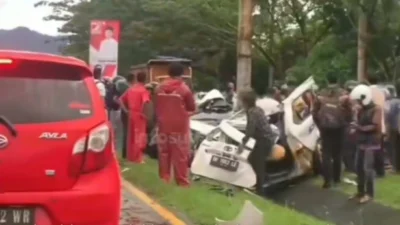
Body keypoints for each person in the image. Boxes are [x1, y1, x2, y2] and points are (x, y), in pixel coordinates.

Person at [155, 62, 196, 186]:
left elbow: (156, 104)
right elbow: (191, 107)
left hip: (163, 125)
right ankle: (182, 181)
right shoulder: (184, 89)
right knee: (180, 155)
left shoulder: (159, 88)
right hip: (179, 127)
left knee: (164, 152)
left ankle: (164, 178)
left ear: (169, 73)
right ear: (182, 74)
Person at [312, 76, 351, 188]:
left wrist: (320, 125)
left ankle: (327, 181)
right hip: (340, 127)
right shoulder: (344, 94)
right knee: (338, 153)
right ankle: (337, 178)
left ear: (327, 81)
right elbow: (350, 112)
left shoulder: (320, 94)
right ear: (338, 81)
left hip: (325, 127)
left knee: (326, 154)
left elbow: (314, 112)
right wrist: (345, 123)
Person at [237, 88, 275, 195]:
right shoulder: (257, 109)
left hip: (264, 140)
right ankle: (261, 182)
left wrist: (242, 144)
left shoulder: (252, 112)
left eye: (239, 99)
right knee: (254, 160)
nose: (238, 102)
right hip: (266, 139)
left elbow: (250, 130)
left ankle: (259, 189)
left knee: (257, 163)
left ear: (245, 101)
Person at [349, 84, 381, 203]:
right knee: (358, 168)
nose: (358, 102)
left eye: (359, 100)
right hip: (361, 142)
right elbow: (357, 122)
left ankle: (370, 194)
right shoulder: (361, 109)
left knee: (368, 169)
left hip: (371, 143)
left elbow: (375, 126)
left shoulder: (376, 109)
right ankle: (360, 192)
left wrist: (359, 128)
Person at [120, 72, 150, 163]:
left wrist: (126, 110)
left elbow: (120, 99)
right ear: (145, 79)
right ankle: (138, 158)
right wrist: (145, 114)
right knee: (139, 136)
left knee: (131, 136)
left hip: (130, 113)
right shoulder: (143, 90)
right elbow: (145, 102)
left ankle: (130, 156)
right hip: (139, 114)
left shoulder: (131, 89)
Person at [115, 73, 134, 159]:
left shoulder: (120, 85)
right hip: (127, 111)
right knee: (128, 132)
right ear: (133, 80)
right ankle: (127, 153)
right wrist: (126, 110)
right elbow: (121, 99)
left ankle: (125, 153)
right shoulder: (128, 89)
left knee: (125, 132)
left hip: (124, 111)